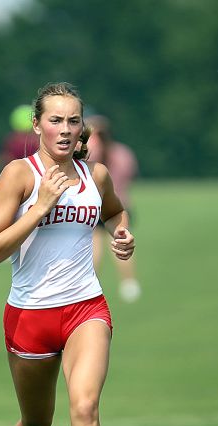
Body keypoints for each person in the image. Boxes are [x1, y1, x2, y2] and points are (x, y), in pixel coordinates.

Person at [0, 82, 135, 426]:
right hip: (29, 315)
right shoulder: (19, 176)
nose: (65, 130)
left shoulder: (97, 175)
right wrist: (41, 206)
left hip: (85, 306)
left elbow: (114, 212)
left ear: (81, 127)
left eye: (73, 122)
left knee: (85, 408)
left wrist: (122, 235)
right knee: (36, 425)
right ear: (37, 125)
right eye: (55, 121)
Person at [86, 115, 141, 302]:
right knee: (122, 245)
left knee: (95, 246)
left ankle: (91, 281)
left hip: (97, 204)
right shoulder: (123, 153)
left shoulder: (91, 152)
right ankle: (129, 283)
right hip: (122, 204)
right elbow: (130, 176)